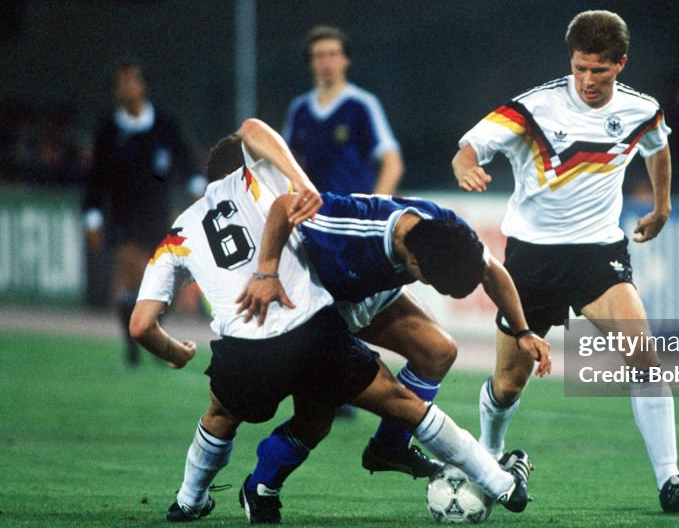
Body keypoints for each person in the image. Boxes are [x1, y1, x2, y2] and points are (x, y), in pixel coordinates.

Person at [129, 133, 532, 524]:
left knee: (224, 416)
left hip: (246, 345)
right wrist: (271, 262)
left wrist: (175, 352)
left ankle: (188, 501)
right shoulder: (297, 201)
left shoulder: (177, 234)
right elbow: (256, 138)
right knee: (333, 414)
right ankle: (264, 485)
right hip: (316, 318)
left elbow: (140, 325)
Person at [451, 9, 679, 513]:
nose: (588, 80)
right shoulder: (534, 108)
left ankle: (670, 478)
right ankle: (492, 455)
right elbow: (470, 145)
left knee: (644, 357)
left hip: (598, 257)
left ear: (621, 65)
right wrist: (465, 164)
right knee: (508, 384)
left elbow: (658, 147)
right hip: (531, 263)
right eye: (581, 68)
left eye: (600, 71)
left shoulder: (641, 110)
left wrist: (662, 205)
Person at [235, 118, 551, 480]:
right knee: (316, 416)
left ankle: (388, 448)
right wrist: (267, 271)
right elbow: (283, 201)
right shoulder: (345, 227)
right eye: (435, 284)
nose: (434, 289)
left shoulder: (447, 235)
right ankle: (257, 487)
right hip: (316, 298)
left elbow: (492, 271)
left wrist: (523, 330)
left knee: (438, 351)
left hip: (366, 291)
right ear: (413, 263)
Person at [83, 60, 205, 367]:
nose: (124, 88)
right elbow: (95, 177)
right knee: (135, 277)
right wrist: (93, 216)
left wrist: (198, 185)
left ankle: (144, 339)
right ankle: (136, 346)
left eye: (130, 81)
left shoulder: (164, 123)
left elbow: (186, 158)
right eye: (119, 83)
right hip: (122, 217)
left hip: (160, 215)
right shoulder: (109, 131)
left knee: (164, 287)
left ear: (143, 86)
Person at [283, 24, 403, 195]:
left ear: (345, 60)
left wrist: (374, 206)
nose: (327, 62)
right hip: (316, 215)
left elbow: (392, 163)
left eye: (333, 54)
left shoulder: (362, 104)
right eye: (319, 56)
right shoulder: (299, 109)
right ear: (310, 62)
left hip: (354, 214)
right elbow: (288, 161)